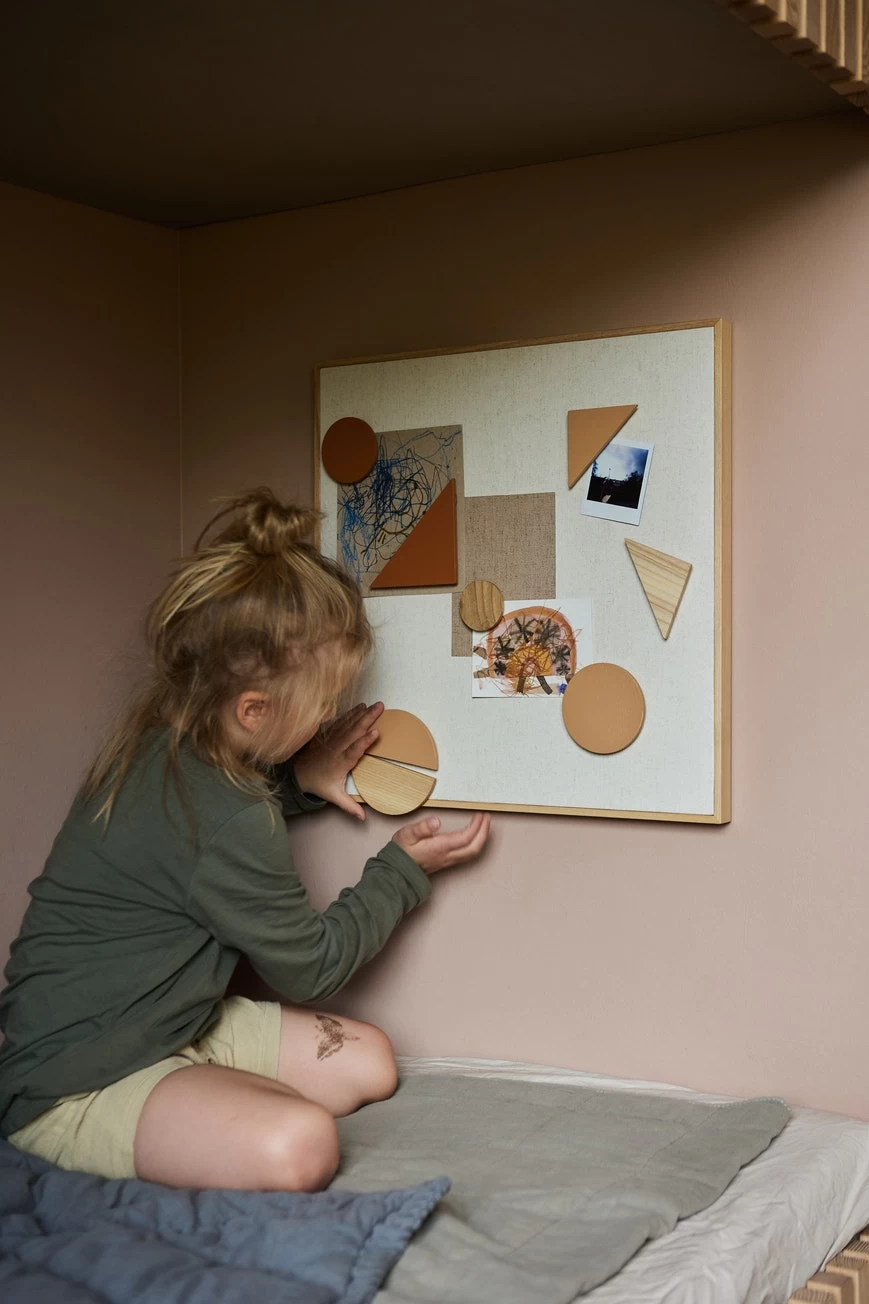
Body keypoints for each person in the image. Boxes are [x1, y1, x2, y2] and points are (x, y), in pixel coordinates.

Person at [0, 488, 490, 1192]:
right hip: (76, 1079)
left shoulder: (159, 740)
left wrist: (299, 779)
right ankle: (148, 1111)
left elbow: (199, 840)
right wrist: (400, 873)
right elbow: (313, 967)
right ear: (254, 710)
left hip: (168, 1021)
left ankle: (190, 1092)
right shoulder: (231, 813)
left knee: (371, 1062)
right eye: (321, 704)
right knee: (301, 1144)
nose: (327, 717)